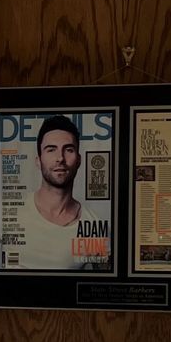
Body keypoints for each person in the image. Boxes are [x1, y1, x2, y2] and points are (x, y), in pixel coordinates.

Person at [10, 114, 108, 271]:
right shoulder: (7, 215)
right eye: (51, 150)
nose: (60, 158)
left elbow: (104, 287)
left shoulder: (93, 225)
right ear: (38, 160)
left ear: (79, 160)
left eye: (68, 149)